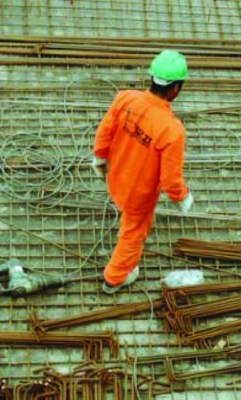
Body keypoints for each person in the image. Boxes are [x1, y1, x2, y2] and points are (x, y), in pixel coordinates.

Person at [92, 49, 194, 294]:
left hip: (115, 176)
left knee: (127, 217)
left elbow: (104, 131)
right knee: (134, 233)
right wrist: (182, 197)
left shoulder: (125, 99)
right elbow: (170, 179)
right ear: (175, 89)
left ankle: (118, 269)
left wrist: (99, 157)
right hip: (138, 194)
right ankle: (114, 278)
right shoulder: (172, 130)